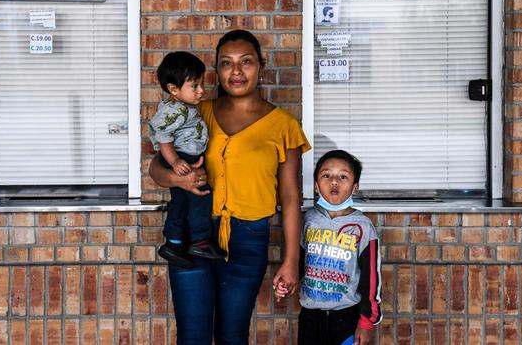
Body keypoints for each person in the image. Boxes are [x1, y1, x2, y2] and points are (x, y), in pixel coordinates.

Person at [149, 29, 311, 345]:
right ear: (217, 70)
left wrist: (291, 260)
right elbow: (157, 168)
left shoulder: (284, 126)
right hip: (194, 236)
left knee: (232, 336)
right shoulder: (196, 112)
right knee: (193, 337)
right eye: (226, 63)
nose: (236, 72)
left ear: (261, 66)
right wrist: (178, 179)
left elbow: (290, 197)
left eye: (246, 62)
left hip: (248, 240)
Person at [275, 149, 382, 345]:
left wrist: (367, 322)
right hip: (310, 316)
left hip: (346, 317)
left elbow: (371, 280)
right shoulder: (308, 221)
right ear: (316, 186)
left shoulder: (363, 227)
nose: (334, 181)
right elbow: (297, 262)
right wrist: (286, 283)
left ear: (355, 187)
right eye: (327, 175)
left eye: (343, 176)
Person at [149, 51, 225, 269]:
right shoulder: (174, 110)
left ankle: (173, 243)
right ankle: (201, 240)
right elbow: (162, 135)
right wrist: (174, 161)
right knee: (201, 196)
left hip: (184, 157)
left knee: (181, 203)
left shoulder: (185, 107)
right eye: (195, 86)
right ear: (174, 89)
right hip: (181, 157)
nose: (201, 90)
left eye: (201, 84)